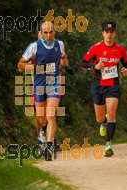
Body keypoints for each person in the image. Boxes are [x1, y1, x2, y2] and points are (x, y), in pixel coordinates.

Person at [18, 21, 74, 161]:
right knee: (41, 118)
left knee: (51, 114)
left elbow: (63, 56)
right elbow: (20, 66)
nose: (48, 35)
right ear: (41, 33)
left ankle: (49, 145)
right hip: (38, 85)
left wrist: (67, 66)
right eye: (45, 32)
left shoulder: (59, 44)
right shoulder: (34, 47)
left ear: (55, 31)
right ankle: (41, 136)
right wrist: (36, 68)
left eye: (51, 32)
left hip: (53, 82)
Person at [80, 21, 127, 157]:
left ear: (115, 33)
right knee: (99, 118)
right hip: (98, 85)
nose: (109, 34)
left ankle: (108, 144)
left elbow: (126, 64)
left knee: (112, 112)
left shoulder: (121, 50)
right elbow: (82, 63)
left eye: (111, 32)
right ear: (103, 33)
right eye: (107, 32)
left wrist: (126, 70)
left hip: (113, 85)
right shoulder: (96, 48)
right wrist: (94, 67)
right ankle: (104, 121)